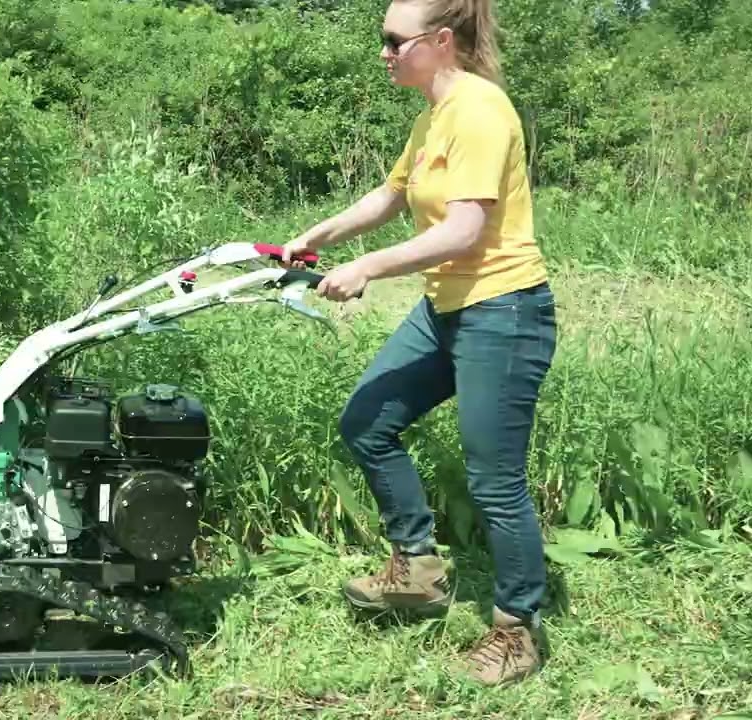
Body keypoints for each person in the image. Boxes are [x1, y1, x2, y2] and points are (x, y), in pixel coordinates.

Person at [280, 0, 557, 687]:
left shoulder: (482, 112)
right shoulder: (433, 113)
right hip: (446, 309)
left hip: (504, 311)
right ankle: (419, 569)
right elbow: (393, 194)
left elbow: (464, 231)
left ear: (439, 40)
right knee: (367, 424)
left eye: (393, 41)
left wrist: (369, 267)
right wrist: (322, 235)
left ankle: (517, 629)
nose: (383, 53)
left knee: (496, 482)